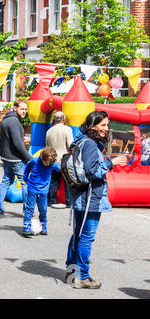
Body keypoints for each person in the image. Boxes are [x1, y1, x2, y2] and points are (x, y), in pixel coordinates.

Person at [64, 110, 127, 289]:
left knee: (78, 234)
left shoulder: (80, 140)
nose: (106, 129)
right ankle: (82, 276)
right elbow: (92, 172)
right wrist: (111, 163)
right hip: (90, 196)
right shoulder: (90, 144)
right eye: (103, 125)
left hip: (79, 194)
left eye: (107, 125)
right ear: (93, 125)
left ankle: (71, 270)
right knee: (86, 237)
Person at [0, 100, 32, 216]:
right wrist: (29, 158)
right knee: (25, 183)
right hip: (15, 158)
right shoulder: (14, 121)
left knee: (6, 181)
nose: (24, 111)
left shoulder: (6, 119)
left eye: (25, 109)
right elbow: (17, 144)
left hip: (6, 157)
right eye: (22, 109)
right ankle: (27, 210)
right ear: (15, 108)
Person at [22, 147, 60, 238]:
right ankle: (26, 226)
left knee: (43, 209)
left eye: (50, 163)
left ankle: (43, 225)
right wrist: (25, 178)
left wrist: (59, 163)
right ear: (42, 158)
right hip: (32, 189)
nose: (47, 165)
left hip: (44, 191)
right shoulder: (34, 161)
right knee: (30, 208)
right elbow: (27, 168)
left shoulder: (52, 164)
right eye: (46, 162)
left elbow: (60, 169)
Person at [45, 111, 73, 208]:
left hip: (53, 160)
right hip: (64, 159)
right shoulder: (67, 129)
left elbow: (47, 146)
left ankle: (51, 201)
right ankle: (69, 202)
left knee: (53, 181)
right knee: (67, 182)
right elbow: (70, 145)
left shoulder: (49, 131)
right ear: (64, 119)